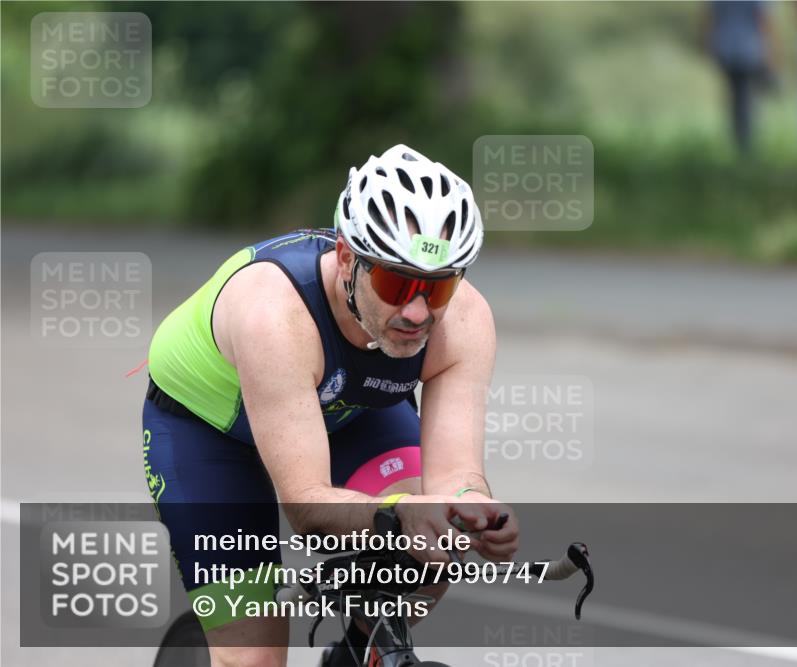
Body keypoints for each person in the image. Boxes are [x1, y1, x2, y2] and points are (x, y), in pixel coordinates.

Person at [142, 144, 518, 667]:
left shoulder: (465, 320)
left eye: (438, 288)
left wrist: (471, 508)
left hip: (342, 408)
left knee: (435, 551)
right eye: (395, 282)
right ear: (347, 258)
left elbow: (457, 474)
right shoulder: (274, 315)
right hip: (209, 431)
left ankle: (356, 655)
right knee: (254, 657)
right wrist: (398, 515)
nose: (416, 311)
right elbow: (307, 506)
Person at [706, 0, 779, 157]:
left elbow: (711, 17)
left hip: (726, 49)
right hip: (749, 50)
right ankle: (746, 146)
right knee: (747, 100)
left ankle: (740, 142)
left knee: (736, 99)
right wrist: (770, 52)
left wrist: (709, 44)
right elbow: (763, 19)